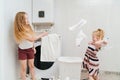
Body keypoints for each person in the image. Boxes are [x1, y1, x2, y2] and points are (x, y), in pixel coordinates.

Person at [14, 12, 48, 80]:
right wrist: (43, 34)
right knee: (24, 68)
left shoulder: (29, 26)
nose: (27, 20)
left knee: (32, 66)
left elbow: (32, 38)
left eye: (27, 18)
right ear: (20, 21)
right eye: (25, 19)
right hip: (22, 51)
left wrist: (33, 47)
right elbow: (32, 39)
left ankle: (33, 78)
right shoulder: (20, 31)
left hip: (30, 49)